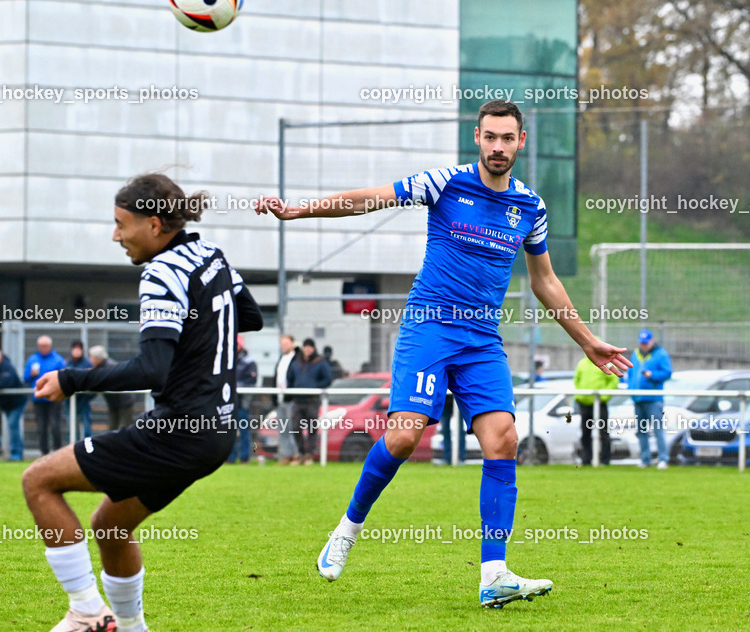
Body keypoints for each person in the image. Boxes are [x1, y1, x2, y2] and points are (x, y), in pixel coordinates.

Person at [256, 100, 631, 607]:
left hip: (482, 339)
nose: (498, 147)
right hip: (429, 327)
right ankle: (348, 528)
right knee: (405, 435)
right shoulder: (445, 183)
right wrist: (302, 209)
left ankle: (494, 574)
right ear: (477, 137)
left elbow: (545, 281)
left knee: (503, 440)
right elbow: (373, 198)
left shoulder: (531, 207)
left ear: (521, 143)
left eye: (508, 138)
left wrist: (588, 341)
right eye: (490, 137)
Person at [21, 173, 262, 632]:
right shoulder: (210, 255)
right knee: (111, 527)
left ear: (154, 224)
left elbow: (151, 369)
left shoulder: (161, 273)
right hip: (216, 433)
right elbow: (248, 316)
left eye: (120, 224)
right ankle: (130, 628)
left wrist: (70, 379)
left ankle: (87, 613)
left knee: (39, 482)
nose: (116, 235)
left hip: (178, 430)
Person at [628, 329, 673, 469]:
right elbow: (630, 374)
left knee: (657, 429)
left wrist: (652, 375)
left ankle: (663, 459)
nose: (644, 346)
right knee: (642, 431)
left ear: (652, 341)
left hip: (653, 399)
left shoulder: (661, 354)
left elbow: (667, 373)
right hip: (638, 398)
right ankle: (645, 459)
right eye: (642, 343)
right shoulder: (635, 355)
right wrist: (629, 388)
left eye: (646, 343)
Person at [286, 338, 332, 465]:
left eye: (310, 347)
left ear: (313, 348)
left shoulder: (320, 362)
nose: (307, 349)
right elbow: (289, 378)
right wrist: (291, 389)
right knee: (295, 428)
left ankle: (309, 455)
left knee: (312, 428)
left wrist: (314, 387)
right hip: (298, 400)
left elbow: (327, 379)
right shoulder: (296, 362)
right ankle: (301, 453)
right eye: (305, 347)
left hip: (312, 400)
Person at [574, 351, 620, 467]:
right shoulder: (582, 364)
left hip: (599, 403)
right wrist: (579, 396)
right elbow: (576, 381)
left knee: (603, 432)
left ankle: (605, 460)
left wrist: (604, 396)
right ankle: (586, 459)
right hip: (585, 403)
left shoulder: (605, 363)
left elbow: (614, 381)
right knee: (585, 433)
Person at [25, 336, 68, 456]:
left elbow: (64, 377)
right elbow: (26, 378)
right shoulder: (32, 359)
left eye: (45, 346)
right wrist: (31, 374)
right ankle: (44, 453)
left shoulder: (58, 360)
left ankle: (57, 452)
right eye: (41, 346)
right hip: (38, 399)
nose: (43, 348)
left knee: (55, 426)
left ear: (50, 346)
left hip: (55, 398)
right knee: (41, 427)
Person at [0, 348, 26, 460]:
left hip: (17, 402)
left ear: (0, 357)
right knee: (11, 426)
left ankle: (17, 454)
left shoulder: (7, 366)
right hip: (5, 404)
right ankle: (16, 451)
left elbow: (8, 381)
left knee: (13, 425)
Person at [89, 346, 139, 430]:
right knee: (112, 428)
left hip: (124, 402)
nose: (90, 360)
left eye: (92, 357)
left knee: (125, 428)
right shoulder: (100, 367)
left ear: (98, 358)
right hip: (113, 403)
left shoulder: (109, 366)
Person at [228, 336, 258, 464]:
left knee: (244, 430)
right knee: (229, 431)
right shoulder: (227, 359)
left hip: (242, 403)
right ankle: (230, 457)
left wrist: (236, 386)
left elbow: (251, 381)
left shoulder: (249, 362)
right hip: (229, 403)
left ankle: (245, 457)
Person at [273, 334, 299, 465]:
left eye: (286, 343)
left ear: (292, 343)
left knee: (292, 428)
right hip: (280, 399)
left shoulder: (296, 359)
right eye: (282, 343)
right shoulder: (281, 359)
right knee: (282, 429)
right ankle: (285, 456)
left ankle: (295, 455)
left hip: (291, 400)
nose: (283, 346)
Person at [66, 341, 95, 440]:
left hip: (83, 400)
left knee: (86, 427)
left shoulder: (87, 364)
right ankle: (73, 449)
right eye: (75, 349)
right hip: (70, 400)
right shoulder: (68, 363)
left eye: (79, 349)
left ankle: (89, 450)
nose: (76, 351)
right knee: (72, 427)